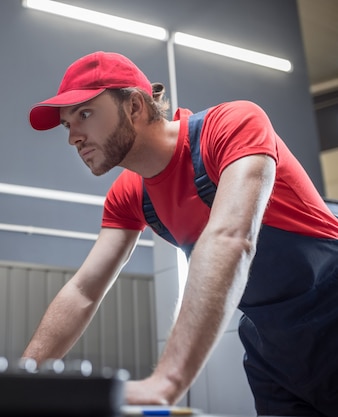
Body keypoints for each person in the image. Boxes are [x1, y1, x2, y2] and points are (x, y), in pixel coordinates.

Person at [22, 51, 338, 416]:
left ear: (135, 107)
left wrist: (167, 381)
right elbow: (83, 291)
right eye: (67, 125)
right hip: (273, 351)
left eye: (85, 114)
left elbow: (232, 237)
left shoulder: (231, 126)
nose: (73, 137)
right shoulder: (129, 195)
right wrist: (24, 379)